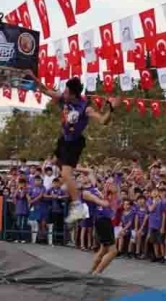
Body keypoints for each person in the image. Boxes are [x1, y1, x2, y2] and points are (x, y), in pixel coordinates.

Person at [26, 70, 120, 224]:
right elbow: (43, 89)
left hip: (74, 143)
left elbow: (103, 120)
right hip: (63, 139)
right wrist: (32, 76)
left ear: (74, 95)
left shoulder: (85, 108)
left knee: (65, 174)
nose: (64, 93)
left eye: (67, 92)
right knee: (55, 162)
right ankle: (72, 181)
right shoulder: (63, 98)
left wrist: (111, 109)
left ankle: (78, 205)